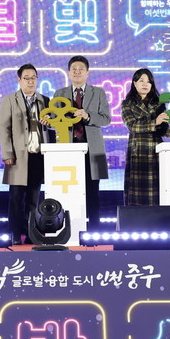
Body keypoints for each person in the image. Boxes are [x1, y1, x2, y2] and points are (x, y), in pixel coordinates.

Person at [54, 56, 111, 229]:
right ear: (69, 73)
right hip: (67, 150)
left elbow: (106, 119)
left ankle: (94, 230)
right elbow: (54, 119)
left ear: (87, 73)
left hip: (92, 149)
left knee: (93, 192)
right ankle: (68, 229)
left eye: (81, 69)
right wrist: (48, 120)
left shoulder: (98, 92)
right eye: (74, 69)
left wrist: (87, 116)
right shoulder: (59, 94)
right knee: (68, 191)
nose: (77, 72)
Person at [0, 64, 53, 243]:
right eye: (26, 78)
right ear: (19, 80)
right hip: (17, 157)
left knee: (33, 198)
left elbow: (53, 127)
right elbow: (4, 128)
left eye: (33, 78)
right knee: (15, 198)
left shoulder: (45, 100)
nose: (30, 81)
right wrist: (7, 153)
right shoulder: (9, 100)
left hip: (38, 155)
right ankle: (14, 234)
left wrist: (50, 122)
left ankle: (31, 234)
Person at [121, 68, 170, 206]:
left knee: (157, 187)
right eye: (141, 80)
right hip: (138, 150)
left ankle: (158, 217)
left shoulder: (159, 103)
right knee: (137, 190)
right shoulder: (127, 103)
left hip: (157, 149)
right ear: (134, 83)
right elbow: (132, 126)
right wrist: (155, 122)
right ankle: (137, 217)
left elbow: (163, 128)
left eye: (148, 81)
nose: (145, 84)